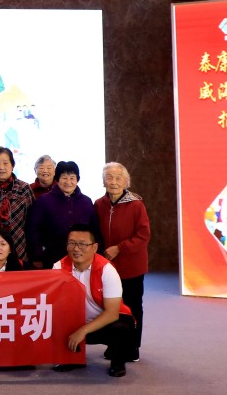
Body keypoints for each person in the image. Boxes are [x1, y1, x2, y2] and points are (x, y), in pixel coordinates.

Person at [53, 224, 138, 378]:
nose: (76, 249)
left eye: (82, 244)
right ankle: (72, 358)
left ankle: (117, 361)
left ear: (94, 247)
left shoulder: (107, 270)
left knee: (122, 326)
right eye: (72, 243)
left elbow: (112, 313)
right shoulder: (58, 267)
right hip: (74, 320)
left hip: (104, 321)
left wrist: (83, 331)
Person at [95, 162, 151, 354]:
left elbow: (143, 236)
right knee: (110, 306)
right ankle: (115, 345)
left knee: (132, 306)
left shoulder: (136, 205)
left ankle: (133, 346)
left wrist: (120, 248)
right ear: (103, 181)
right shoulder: (99, 204)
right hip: (107, 267)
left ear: (126, 181)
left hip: (132, 266)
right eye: (109, 178)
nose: (114, 182)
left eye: (118, 178)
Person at [26, 160, 98, 268]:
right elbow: (33, 231)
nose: (68, 182)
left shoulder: (86, 201)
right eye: (64, 178)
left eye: (72, 178)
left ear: (77, 180)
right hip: (51, 257)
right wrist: (37, 256)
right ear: (57, 179)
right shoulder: (43, 201)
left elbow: (94, 229)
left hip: (82, 257)